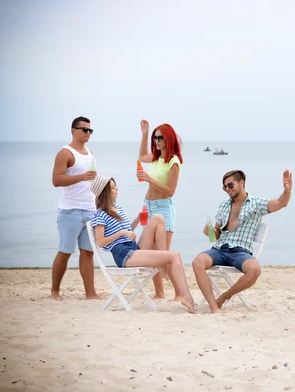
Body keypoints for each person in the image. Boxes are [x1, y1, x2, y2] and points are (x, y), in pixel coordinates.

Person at [90, 175, 195, 313]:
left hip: (133, 247)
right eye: (112, 188)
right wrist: (121, 233)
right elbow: (101, 242)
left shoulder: (118, 209)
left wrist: (137, 220)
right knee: (175, 256)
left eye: (116, 187)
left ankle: (163, 264)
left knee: (158, 218)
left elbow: (127, 232)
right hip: (123, 254)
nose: (116, 190)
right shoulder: (100, 215)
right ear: (103, 192)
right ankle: (186, 296)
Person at [192, 169, 292, 313]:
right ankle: (213, 306)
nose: (227, 189)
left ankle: (223, 297)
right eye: (224, 187)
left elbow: (281, 203)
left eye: (230, 185)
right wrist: (210, 232)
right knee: (197, 262)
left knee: (255, 270)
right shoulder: (224, 205)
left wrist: (287, 190)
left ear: (241, 183)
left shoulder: (256, 204)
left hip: (240, 251)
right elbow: (217, 234)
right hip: (220, 249)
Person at [50, 116, 99, 301]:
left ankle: (90, 293)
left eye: (90, 130)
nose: (88, 133)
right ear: (73, 130)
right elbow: (56, 180)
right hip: (70, 211)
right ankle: (54, 291)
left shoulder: (90, 152)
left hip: (90, 210)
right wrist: (81, 177)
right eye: (84, 129)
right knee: (65, 252)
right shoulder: (65, 153)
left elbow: (92, 180)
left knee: (88, 253)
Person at [137, 120, 183, 301]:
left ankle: (179, 293)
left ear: (168, 139)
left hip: (163, 207)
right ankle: (160, 292)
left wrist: (149, 179)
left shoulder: (174, 161)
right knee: (154, 253)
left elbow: (170, 191)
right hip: (149, 207)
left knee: (164, 254)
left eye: (160, 138)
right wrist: (145, 134)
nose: (156, 141)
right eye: (155, 138)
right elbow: (141, 156)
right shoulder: (155, 158)